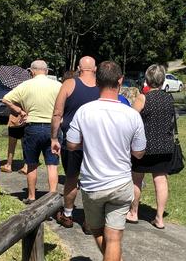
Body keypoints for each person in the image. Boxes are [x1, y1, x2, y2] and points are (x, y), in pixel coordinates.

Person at [66, 61, 146, 261]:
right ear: (120, 81)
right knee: (114, 240)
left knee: (97, 231)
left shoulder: (84, 111)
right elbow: (139, 153)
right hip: (121, 184)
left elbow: (71, 144)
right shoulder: (132, 115)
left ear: (97, 81)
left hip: (93, 185)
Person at [3, 60, 62, 204]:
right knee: (52, 165)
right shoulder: (58, 86)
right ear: (47, 71)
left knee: (31, 164)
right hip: (52, 128)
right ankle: (52, 196)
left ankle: (31, 196)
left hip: (32, 127)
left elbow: (6, 99)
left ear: (32, 72)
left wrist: (20, 111)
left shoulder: (25, 85)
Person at [50, 56, 100, 229]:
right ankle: (89, 219)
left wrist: (54, 137)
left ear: (79, 68)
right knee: (92, 180)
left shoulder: (69, 84)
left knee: (71, 178)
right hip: (96, 143)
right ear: (94, 69)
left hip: (72, 141)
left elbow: (57, 113)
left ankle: (68, 214)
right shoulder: (102, 87)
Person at [126, 64, 176, 229]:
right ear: (162, 80)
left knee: (137, 179)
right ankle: (159, 218)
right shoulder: (169, 98)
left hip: (144, 146)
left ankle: (133, 212)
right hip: (164, 146)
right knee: (160, 180)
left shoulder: (143, 98)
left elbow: (131, 118)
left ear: (147, 80)